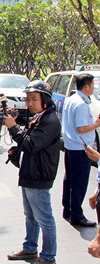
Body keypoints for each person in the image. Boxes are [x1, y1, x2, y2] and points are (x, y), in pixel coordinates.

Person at [3, 80, 60, 264]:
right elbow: (28, 137)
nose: (29, 103)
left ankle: (48, 256)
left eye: (34, 99)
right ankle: (30, 248)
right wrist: (17, 122)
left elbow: (31, 145)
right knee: (30, 216)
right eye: (28, 99)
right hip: (29, 173)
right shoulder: (40, 117)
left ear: (45, 100)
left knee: (44, 218)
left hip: (39, 176)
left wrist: (13, 127)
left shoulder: (50, 120)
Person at [61, 73, 99, 227]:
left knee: (69, 179)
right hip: (80, 148)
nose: (94, 88)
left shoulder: (71, 99)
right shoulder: (82, 104)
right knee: (79, 182)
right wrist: (97, 125)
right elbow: (81, 128)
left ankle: (68, 210)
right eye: (93, 85)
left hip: (70, 146)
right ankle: (76, 214)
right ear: (87, 86)